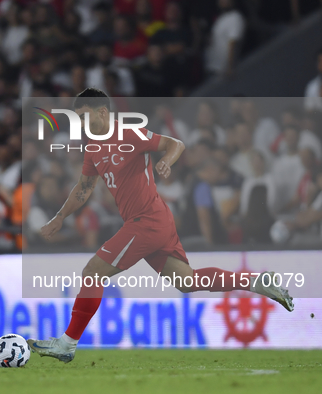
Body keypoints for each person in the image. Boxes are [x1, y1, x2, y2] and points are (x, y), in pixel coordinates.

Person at [27, 88, 294, 363]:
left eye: (83, 117)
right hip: (152, 221)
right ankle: (258, 282)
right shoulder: (93, 147)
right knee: (187, 281)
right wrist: (60, 216)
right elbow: (83, 188)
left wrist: (166, 160)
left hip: (147, 220)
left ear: (102, 112)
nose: (80, 125)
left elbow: (175, 143)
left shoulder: (129, 133)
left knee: (93, 272)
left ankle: (67, 343)